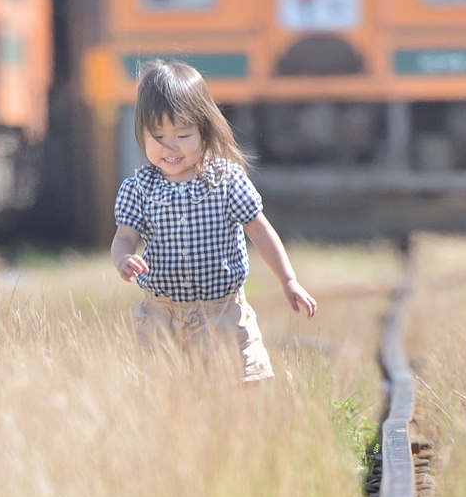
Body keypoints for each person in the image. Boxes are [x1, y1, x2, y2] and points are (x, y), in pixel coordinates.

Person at [111, 59, 316, 382]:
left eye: (182, 134)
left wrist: (288, 280)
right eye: (158, 136)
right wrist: (123, 257)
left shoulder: (225, 181)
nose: (170, 146)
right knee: (167, 391)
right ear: (142, 134)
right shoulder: (139, 188)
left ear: (204, 132)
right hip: (161, 314)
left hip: (223, 313)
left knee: (242, 385)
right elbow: (125, 236)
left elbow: (260, 230)